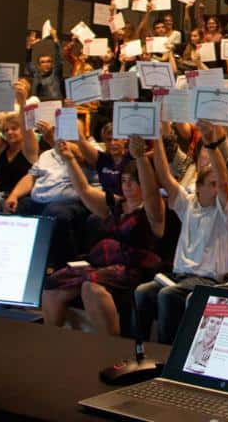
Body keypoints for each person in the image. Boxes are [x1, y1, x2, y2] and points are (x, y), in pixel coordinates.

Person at [42, 136, 165, 336]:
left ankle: (111, 349)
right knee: (52, 284)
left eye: (133, 181)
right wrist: (69, 160)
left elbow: (151, 193)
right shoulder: (115, 205)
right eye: (124, 180)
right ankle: (51, 340)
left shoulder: (153, 212)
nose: (127, 186)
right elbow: (84, 190)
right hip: (103, 266)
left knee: (91, 288)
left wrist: (141, 158)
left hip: (133, 270)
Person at [134, 121, 228, 344]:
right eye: (211, 184)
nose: (218, 188)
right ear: (198, 187)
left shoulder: (227, 211)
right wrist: (157, 139)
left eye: (217, 184)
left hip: (207, 281)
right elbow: (165, 177)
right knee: (142, 291)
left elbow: (225, 182)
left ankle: (165, 357)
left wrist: (211, 145)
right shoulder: (189, 203)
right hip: (178, 277)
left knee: (167, 295)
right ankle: (139, 350)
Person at [4, 126, 97, 269]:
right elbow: (31, 177)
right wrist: (14, 196)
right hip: (39, 201)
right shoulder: (46, 154)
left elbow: (80, 156)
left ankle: (60, 269)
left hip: (71, 203)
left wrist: (55, 141)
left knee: (55, 212)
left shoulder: (91, 152)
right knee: (6, 207)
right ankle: (11, 262)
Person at [0, 83, 38, 214]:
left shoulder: (29, 150)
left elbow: (26, 125)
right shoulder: (1, 149)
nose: (9, 132)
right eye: (6, 130)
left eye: (14, 129)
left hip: (22, 197)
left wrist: (22, 102)